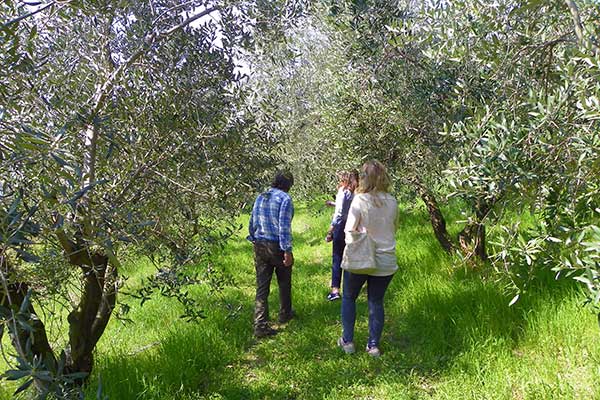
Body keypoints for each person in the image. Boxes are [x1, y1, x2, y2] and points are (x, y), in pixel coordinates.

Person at [337, 160, 398, 358]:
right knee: (376, 301)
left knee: (348, 297)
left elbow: (350, 230)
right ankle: (373, 346)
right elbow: (393, 228)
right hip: (386, 259)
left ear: (364, 178)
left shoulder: (360, 200)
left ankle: (347, 341)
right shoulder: (392, 201)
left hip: (361, 258)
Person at [247, 170, 295, 338]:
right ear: (288, 185)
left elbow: (252, 220)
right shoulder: (285, 199)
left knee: (262, 287)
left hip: (260, 244)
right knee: (284, 281)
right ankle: (285, 313)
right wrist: (287, 250)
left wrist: (253, 237)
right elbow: (284, 227)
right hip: (276, 246)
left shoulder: (262, 195)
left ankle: (260, 325)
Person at [325, 170, 359, 301]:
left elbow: (339, 214)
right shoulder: (358, 193)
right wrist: (333, 204)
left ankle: (335, 291)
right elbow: (350, 208)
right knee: (350, 257)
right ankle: (350, 289)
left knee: (337, 258)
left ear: (344, 180)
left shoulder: (342, 191)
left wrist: (330, 231)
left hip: (341, 227)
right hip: (354, 226)